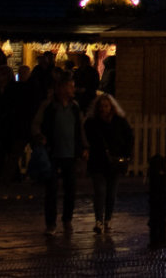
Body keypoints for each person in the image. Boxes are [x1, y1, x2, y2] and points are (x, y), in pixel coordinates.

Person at [32, 76, 86, 233]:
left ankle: (67, 219)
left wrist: (83, 146)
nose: (72, 90)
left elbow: (80, 128)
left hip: (70, 153)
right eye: (70, 87)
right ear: (61, 88)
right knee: (52, 189)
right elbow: (36, 124)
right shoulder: (49, 106)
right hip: (53, 152)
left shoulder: (74, 107)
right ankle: (51, 223)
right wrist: (40, 136)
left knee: (70, 189)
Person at [83, 93, 133, 234]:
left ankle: (108, 219)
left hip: (114, 162)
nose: (104, 109)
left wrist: (125, 154)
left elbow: (129, 137)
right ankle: (99, 220)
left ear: (111, 107)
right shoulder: (92, 122)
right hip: (98, 161)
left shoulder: (119, 122)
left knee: (111, 193)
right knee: (100, 192)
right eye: (101, 106)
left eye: (106, 106)